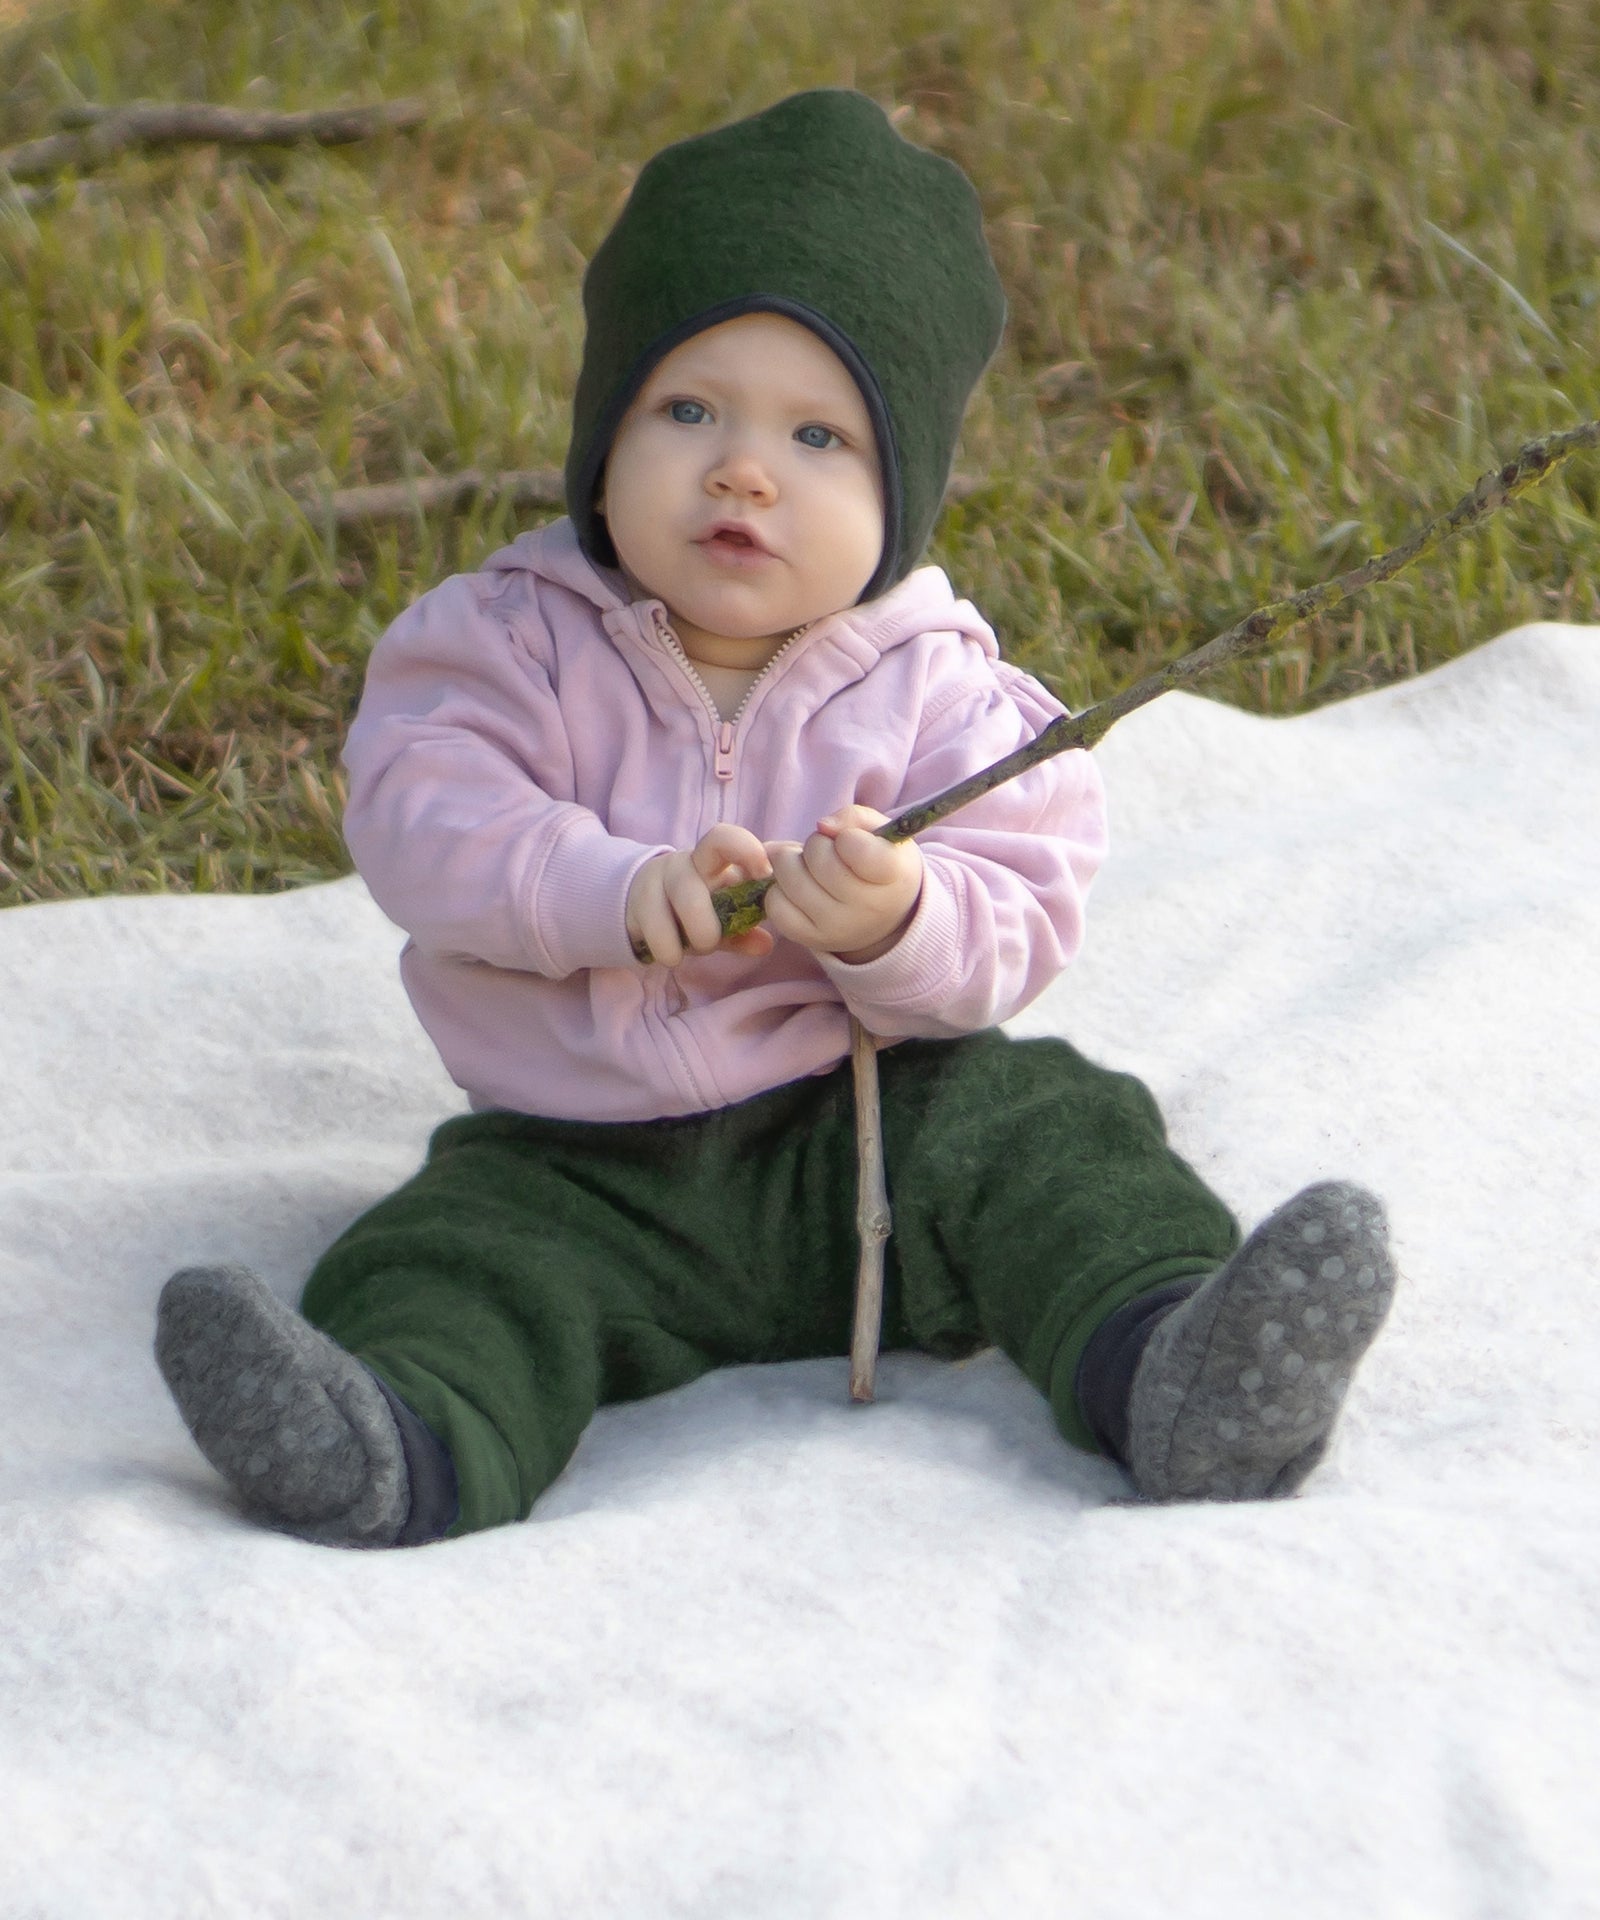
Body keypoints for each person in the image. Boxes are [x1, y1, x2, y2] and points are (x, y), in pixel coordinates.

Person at [154, 89, 1395, 1548]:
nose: (744, 469)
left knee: (1058, 1138)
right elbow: (423, 814)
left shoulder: (946, 687)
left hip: (870, 1129)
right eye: (688, 411)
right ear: (603, 439)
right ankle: (399, 1439)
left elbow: (1028, 894)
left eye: (820, 435)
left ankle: (1174, 1367)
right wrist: (600, 886)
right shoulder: (507, 640)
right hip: (580, 1155)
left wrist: (902, 921)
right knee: (451, 1255)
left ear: (905, 495)